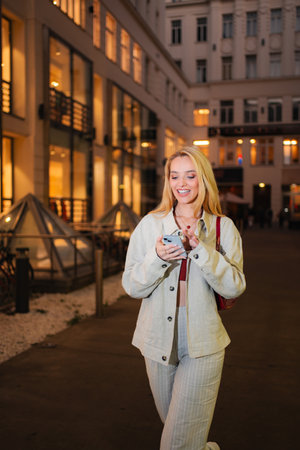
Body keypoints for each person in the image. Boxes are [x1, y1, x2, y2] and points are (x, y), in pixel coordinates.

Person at [122, 147, 246, 450]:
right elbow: (132, 286)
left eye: (190, 175)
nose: (182, 183)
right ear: (168, 180)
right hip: (155, 342)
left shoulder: (222, 227)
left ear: (202, 179)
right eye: (174, 175)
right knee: (183, 435)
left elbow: (234, 287)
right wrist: (157, 258)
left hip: (203, 344)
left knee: (177, 443)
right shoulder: (150, 225)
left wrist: (201, 250)